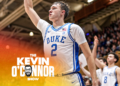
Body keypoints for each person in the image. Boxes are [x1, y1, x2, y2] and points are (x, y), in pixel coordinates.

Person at [24, 0, 97, 86]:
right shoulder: (46, 28)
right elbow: (28, 8)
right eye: (50, 8)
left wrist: (94, 78)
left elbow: (88, 56)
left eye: (54, 8)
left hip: (70, 79)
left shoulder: (73, 28)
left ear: (62, 12)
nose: (50, 10)